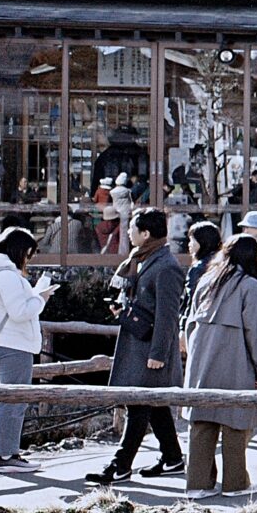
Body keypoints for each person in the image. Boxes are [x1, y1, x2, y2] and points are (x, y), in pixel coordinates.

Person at [86, 208, 190, 485]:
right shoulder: (144, 259)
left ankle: (120, 466)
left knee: (138, 403)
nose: (129, 233)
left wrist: (159, 354)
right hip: (139, 340)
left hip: (150, 347)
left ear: (145, 234)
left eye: (132, 228)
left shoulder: (166, 266)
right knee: (152, 405)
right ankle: (173, 458)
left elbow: (169, 316)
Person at [181, 235, 257, 496]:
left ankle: (197, 484)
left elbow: (188, 323)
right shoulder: (250, 286)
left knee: (202, 420)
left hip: (201, 360)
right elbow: (255, 331)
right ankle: (236, 483)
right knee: (235, 421)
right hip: (235, 359)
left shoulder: (207, 280)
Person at [0, 226, 56, 466]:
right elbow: (20, 312)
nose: (29, 259)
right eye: (29, 253)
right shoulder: (8, 276)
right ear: (21, 250)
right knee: (14, 399)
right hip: (14, 346)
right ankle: (5, 454)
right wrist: (40, 298)